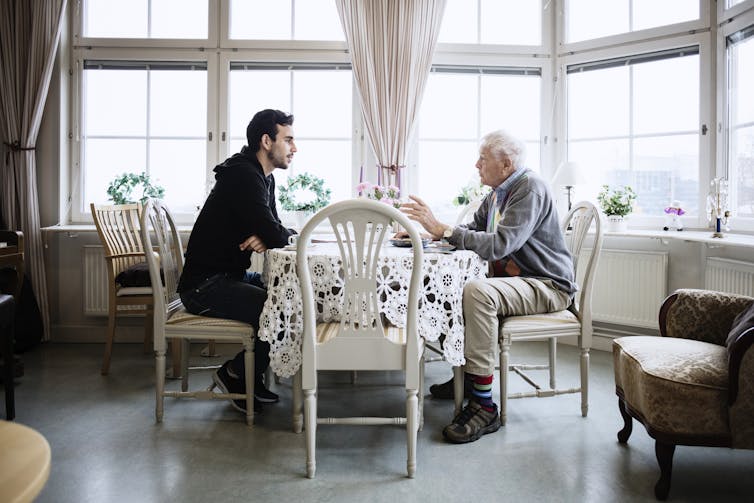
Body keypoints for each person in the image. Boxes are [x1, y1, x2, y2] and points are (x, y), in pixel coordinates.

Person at [401, 129, 577, 444]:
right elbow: (471, 229)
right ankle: (469, 378)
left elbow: (500, 245)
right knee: (451, 287)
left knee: (477, 292)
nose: (476, 164)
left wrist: (444, 229)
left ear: (506, 163)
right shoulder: (498, 193)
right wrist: (431, 234)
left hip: (547, 284)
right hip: (520, 279)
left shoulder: (529, 189)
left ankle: (483, 404)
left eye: (483, 159)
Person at [177, 109, 297, 414]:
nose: (294, 148)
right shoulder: (244, 175)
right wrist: (268, 233)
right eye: (289, 139)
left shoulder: (262, 178)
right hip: (204, 286)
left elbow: (274, 229)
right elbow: (274, 232)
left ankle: (247, 375)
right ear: (267, 141)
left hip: (228, 276)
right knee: (275, 308)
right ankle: (234, 373)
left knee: (286, 296)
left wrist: (268, 233)